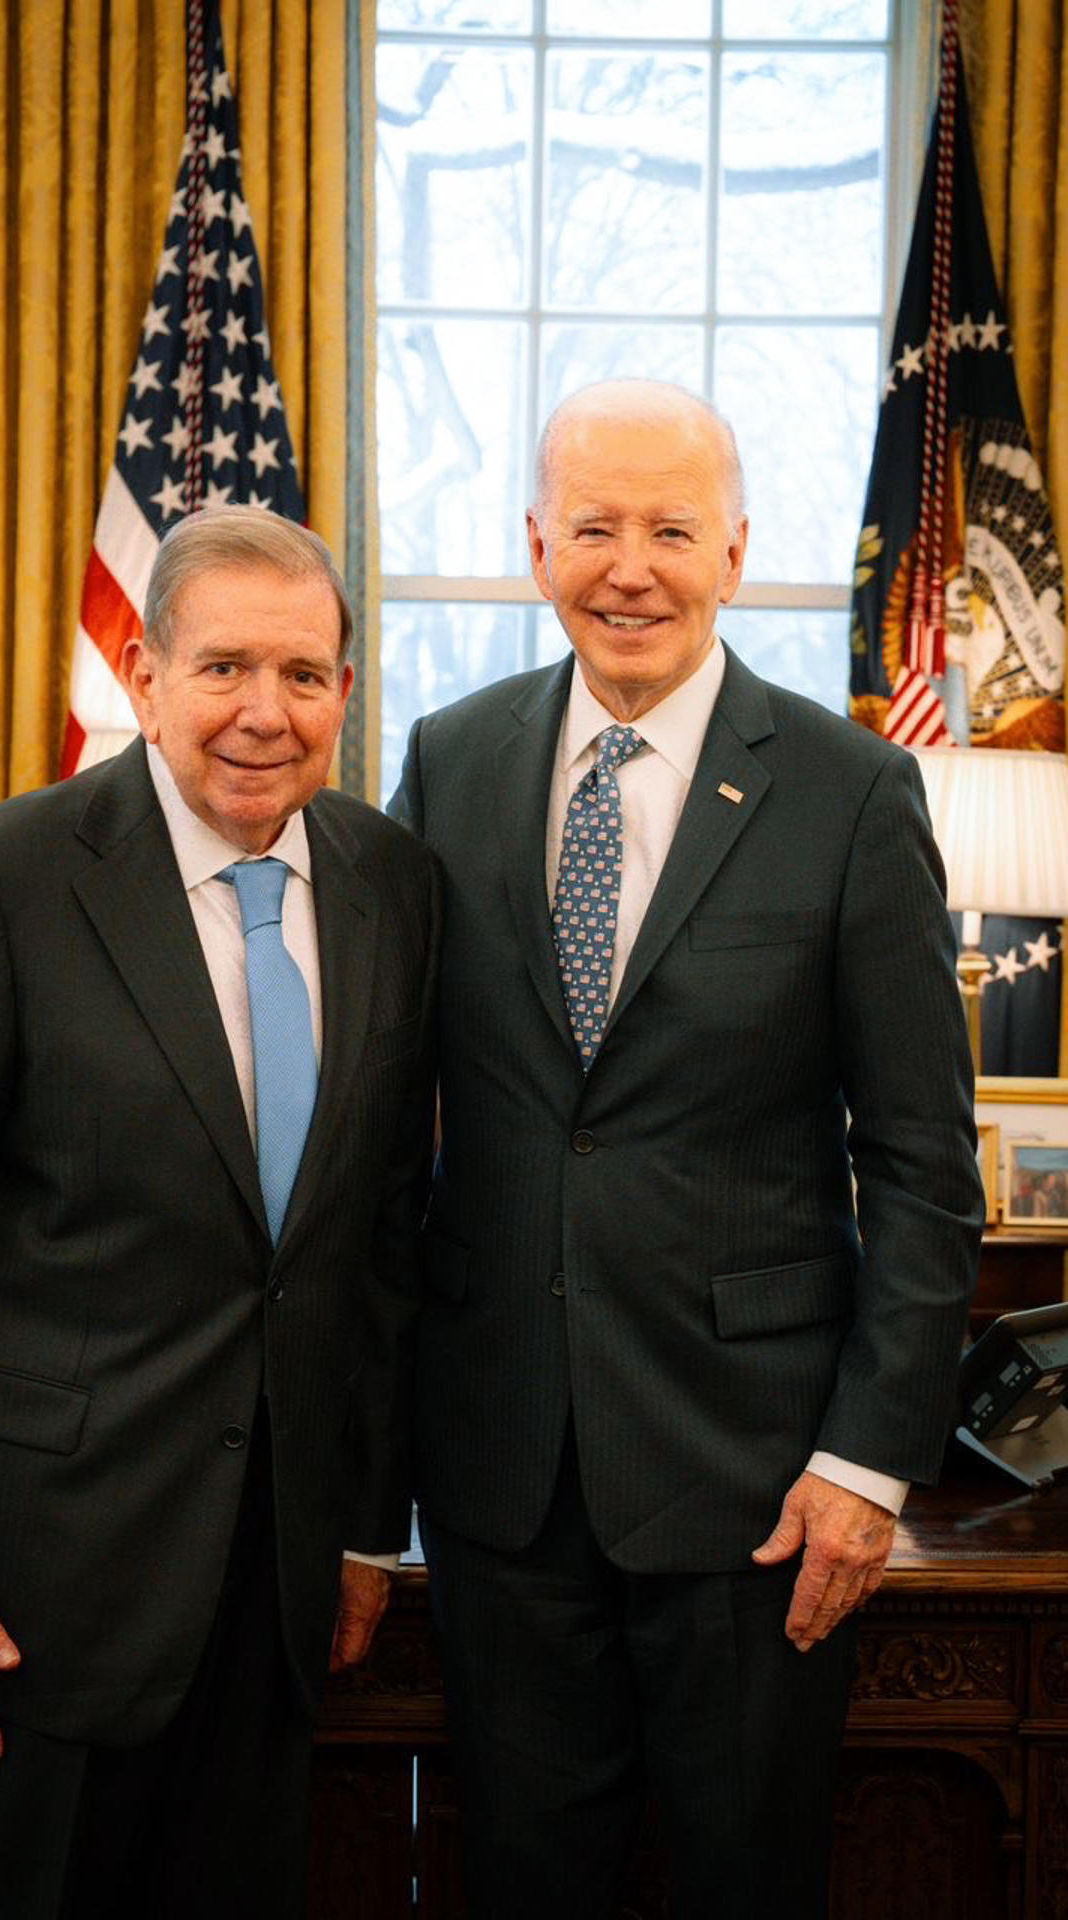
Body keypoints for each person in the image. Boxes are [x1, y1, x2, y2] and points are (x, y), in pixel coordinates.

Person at [390, 380, 982, 1919]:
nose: (628, 566)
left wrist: (865, 1464)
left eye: (668, 528)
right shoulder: (446, 763)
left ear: (734, 547)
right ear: (535, 546)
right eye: (592, 526)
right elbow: (386, 1128)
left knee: (743, 1876)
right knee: (522, 1875)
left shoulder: (850, 792)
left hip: (757, 1479)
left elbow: (918, 1160)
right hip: (498, 1469)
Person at [0, 505, 440, 1920]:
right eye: (222, 668)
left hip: (278, 1582)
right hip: (41, 1581)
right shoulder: (3, 879)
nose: (262, 714)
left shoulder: (390, 885)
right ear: (145, 672)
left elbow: (380, 1238)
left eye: (301, 675)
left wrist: (361, 1522)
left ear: (345, 692)